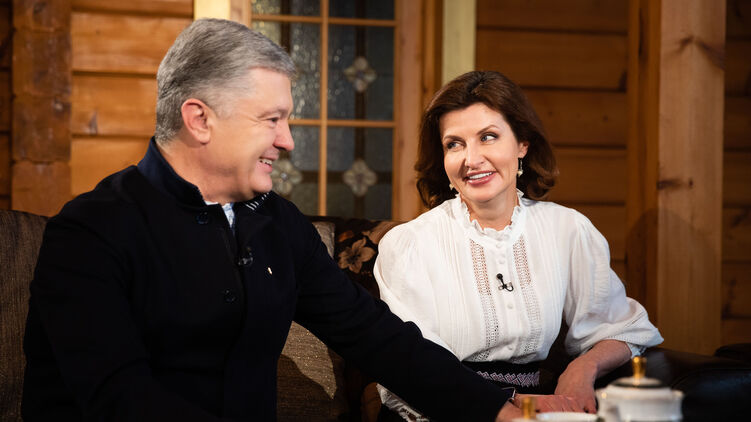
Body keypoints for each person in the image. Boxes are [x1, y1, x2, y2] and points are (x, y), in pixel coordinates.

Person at [22, 20, 524, 421]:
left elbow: (376, 337)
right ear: (199, 119)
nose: (287, 141)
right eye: (271, 119)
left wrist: (496, 410)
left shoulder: (277, 224)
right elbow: (120, 400)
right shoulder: (90, 232)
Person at [373, 71, 663, 421]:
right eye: (454, 144)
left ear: (522, 143)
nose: (471, 159)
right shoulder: (410, 244)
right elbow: (408, 368)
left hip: (537, 412)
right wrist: (509, 403)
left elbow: (621, 326)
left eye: (488, 137)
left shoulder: (567, 230)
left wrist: (583, 368)